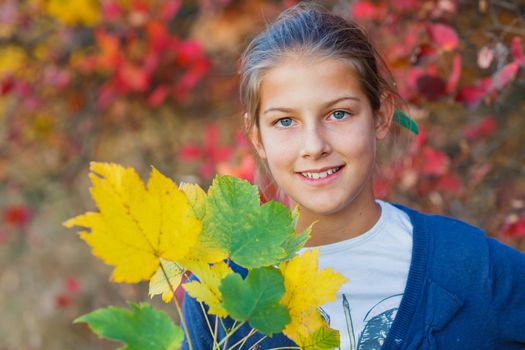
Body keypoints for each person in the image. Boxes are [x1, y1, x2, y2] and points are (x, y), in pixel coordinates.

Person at [182, 2, 525, 349]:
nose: (314, 146)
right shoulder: (222, 291)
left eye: (339, 114)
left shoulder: (469, 267)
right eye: (285, 121)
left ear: (380, 115)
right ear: (257, 137)